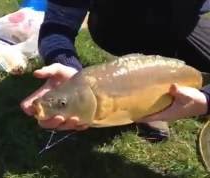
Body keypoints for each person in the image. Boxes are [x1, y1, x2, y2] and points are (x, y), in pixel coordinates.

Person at [20, 0, 210, 142]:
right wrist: (67, 66)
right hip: (117, 24)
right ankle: (146, 100)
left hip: (183, 25)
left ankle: (178, 90)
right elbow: (57, 27)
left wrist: (205, 100)